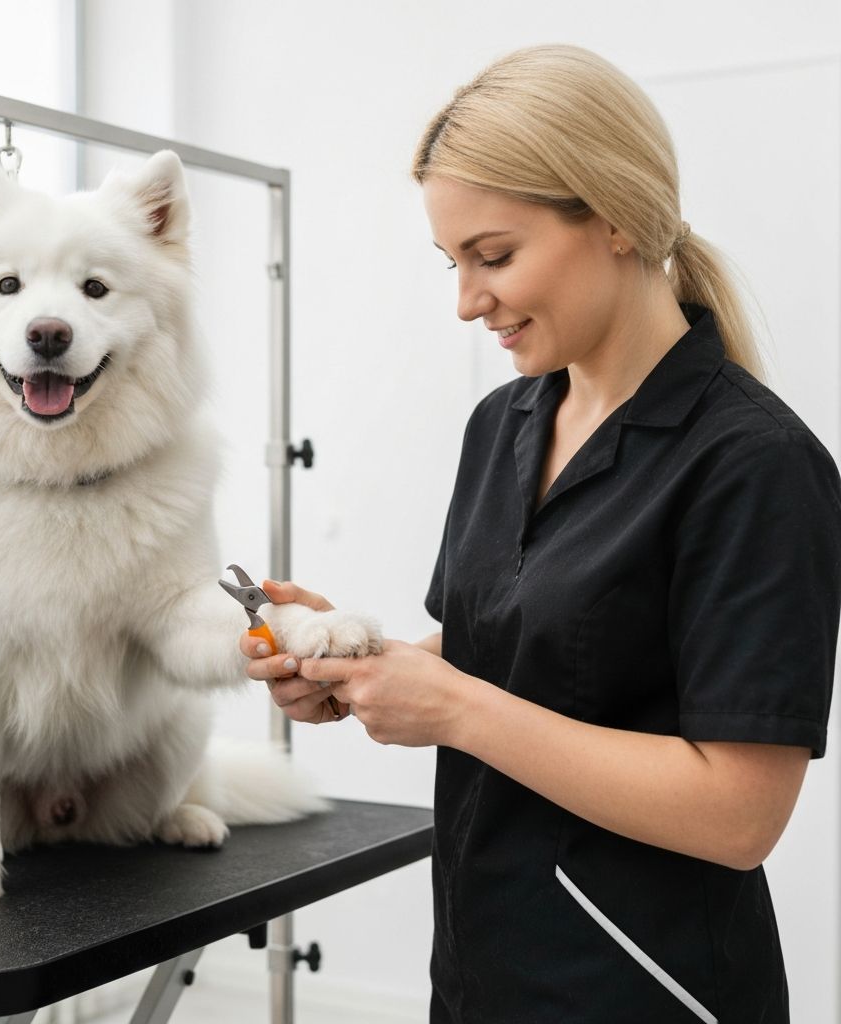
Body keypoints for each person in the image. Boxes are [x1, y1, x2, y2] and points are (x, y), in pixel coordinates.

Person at [241, 44, 841, 1023]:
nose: (468, 300)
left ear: (611, 214)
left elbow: (739, 816)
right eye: (453, 263)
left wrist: (452, 710)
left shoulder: (752, 463)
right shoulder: (503, 425)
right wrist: (358, 662)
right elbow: (502, 652)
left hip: (644, 987)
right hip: (483, 970)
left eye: (494, 255)